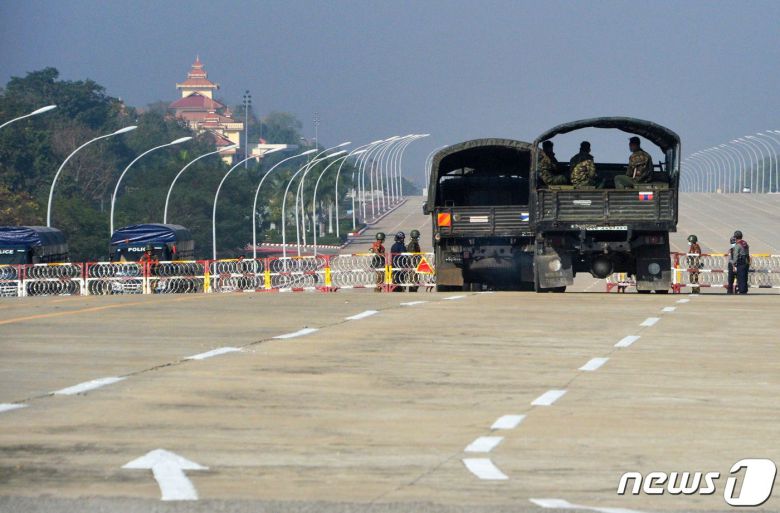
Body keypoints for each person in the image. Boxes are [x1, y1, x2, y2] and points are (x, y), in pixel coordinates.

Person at [731, 230, 750, 294]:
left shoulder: (738, 245)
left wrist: (733, 263)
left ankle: (742, 291)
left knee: (741, 277)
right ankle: (745, 290)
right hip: (746, 262)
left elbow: (735, 256)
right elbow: (747, 253)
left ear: (735, 237)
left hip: (741, 262)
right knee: (745, 277)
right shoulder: (745, 243)